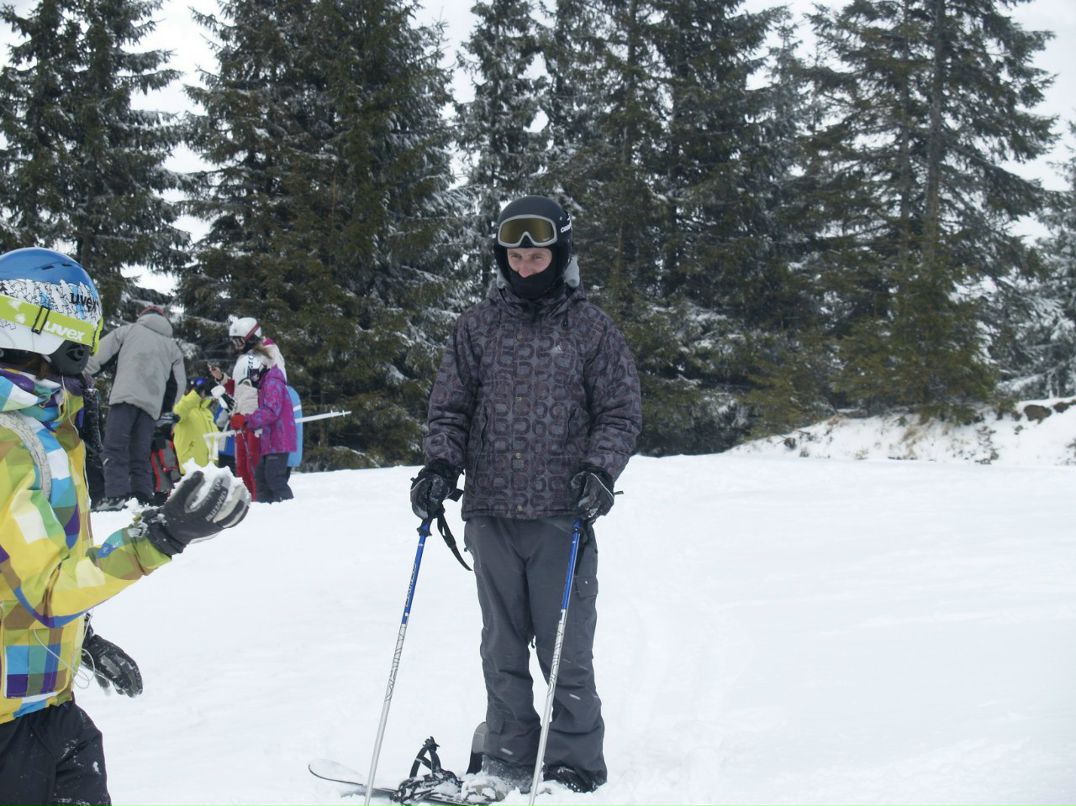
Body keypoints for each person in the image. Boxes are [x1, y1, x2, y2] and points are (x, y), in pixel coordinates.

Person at [0, 247, 251, 806]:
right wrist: (159, 537)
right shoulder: (12, 445)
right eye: (86, 326)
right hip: (10, 730)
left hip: (45, 709)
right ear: (57, 331)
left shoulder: (43, 428)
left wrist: (78, 639)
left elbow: (18, 572)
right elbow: (46, 589)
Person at [410, 196, 642, 798]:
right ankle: (510, 752)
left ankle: (572, 761)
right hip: (490, 511)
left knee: (565, 644)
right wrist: (439, 464)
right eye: (515, 256)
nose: (525, 267)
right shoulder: (476, 326)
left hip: (560, 514)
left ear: (559, 255)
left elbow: (618, 411)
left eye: (537, 255)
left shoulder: (590, 327)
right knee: (501, 646)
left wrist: (600, 470)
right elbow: (451, 408)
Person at [86, 304, 186, 510]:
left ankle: (116, 496)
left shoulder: (128, 331)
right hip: (151, 408)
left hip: (125, 397)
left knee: (115, 448)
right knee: (140, 454)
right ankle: (142, 496)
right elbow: (178, 383)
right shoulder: (172, 347)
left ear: (142, 316)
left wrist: (80, 375)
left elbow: (99, 357)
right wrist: (165, 410)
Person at [209, 317, 285, 496]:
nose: (236, 345)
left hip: (255, 420)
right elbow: (241, 388)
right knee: (242, 465)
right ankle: (249, 501)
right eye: (234, 341)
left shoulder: (269, 354)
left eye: (239, 340)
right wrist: (223, 379)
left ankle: (260, 501)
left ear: (251, 337)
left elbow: (270, 387)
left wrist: (254, 416)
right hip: (240, 419)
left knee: (254, 465)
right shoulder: (246, 358)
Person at [229, 357, 296, 503]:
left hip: (279, 439)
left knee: (274, 478)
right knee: (260, 476)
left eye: (251, 377)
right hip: (269, 440)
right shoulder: (265, 384)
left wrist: (246, 420)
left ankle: (290, 508)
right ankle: (264, 509)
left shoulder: (272, 383)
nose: (252, 382)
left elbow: (271, 411)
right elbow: (263, 414)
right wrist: (245, 423)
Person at [172, 376, 219, 471]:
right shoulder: (180, 404)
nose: (201, 393)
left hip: (209, 469)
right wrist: (196, 395)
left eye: (203, 390)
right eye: (198, 390)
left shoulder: (206, 412)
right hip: (190, 467)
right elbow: (178, 413)